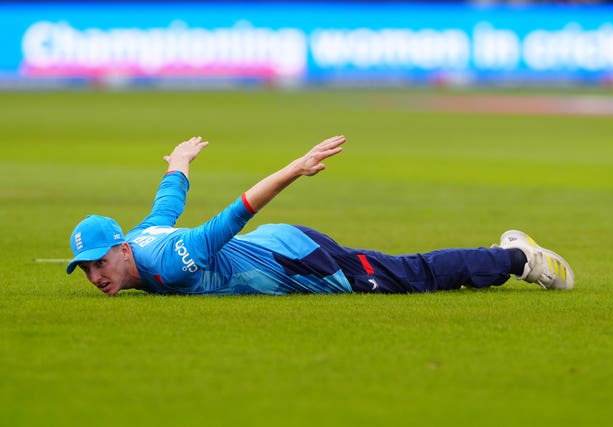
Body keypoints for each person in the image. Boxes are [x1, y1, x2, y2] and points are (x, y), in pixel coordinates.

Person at [66, 135, 574, 296]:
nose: (95, 274)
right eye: (87, 268)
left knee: (408, 276)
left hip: (296, 260)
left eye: (98, 262)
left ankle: (513, 258)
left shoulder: (170, 261)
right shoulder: (141, 236)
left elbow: (232, 216)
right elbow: (167, 204)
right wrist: (179, 163)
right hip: (277, 245)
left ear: (123, 247)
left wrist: (295, 167)